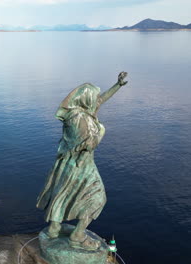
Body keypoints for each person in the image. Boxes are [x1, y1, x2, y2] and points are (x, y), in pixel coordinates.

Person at [36, 72, 128, 250]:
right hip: (81, 165)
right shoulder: (79, 119)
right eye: (93, 97)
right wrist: (101, 130)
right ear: (86, 99)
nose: (96, 101)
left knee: (64, 192)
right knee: (97, 198)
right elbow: (90, 144)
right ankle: (77, 236)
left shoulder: (79, 112)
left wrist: (117, 85)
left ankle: (54, 228)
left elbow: (101, 100)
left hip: (69, 164)